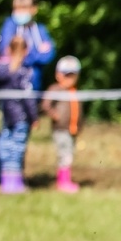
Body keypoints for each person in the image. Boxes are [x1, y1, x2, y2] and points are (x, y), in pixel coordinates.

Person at [0, 34, 37, 194]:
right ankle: (13, 183)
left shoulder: (0, 70)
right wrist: (34, 117)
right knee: (16, 149)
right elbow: (28, 99)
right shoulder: (24, 73)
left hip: (6, 116)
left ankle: (2, 178)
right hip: (21, 117)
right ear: (26, 51)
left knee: (5, 147)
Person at [0, 0, 56, 87]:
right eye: (16, 9)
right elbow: (6, 50)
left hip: (34, 83)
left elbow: (49, 54)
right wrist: (37, 52)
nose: (19, 13)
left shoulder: (40, 29)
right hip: (12, 84)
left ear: (33, 9)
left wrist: (25, 55)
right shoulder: (10, 26)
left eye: (23, 9)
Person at [45, 55, 83, 193]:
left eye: (72, 75)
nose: (69, 78)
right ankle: (63, 182)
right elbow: (45, 104)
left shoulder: (74, 92)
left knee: (69, 155)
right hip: (61, 129)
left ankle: (65, 180)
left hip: (72, 129)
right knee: (65, 155)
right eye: (67, 75)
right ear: (58, 75)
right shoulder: (56, 89)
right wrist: (55, 115)